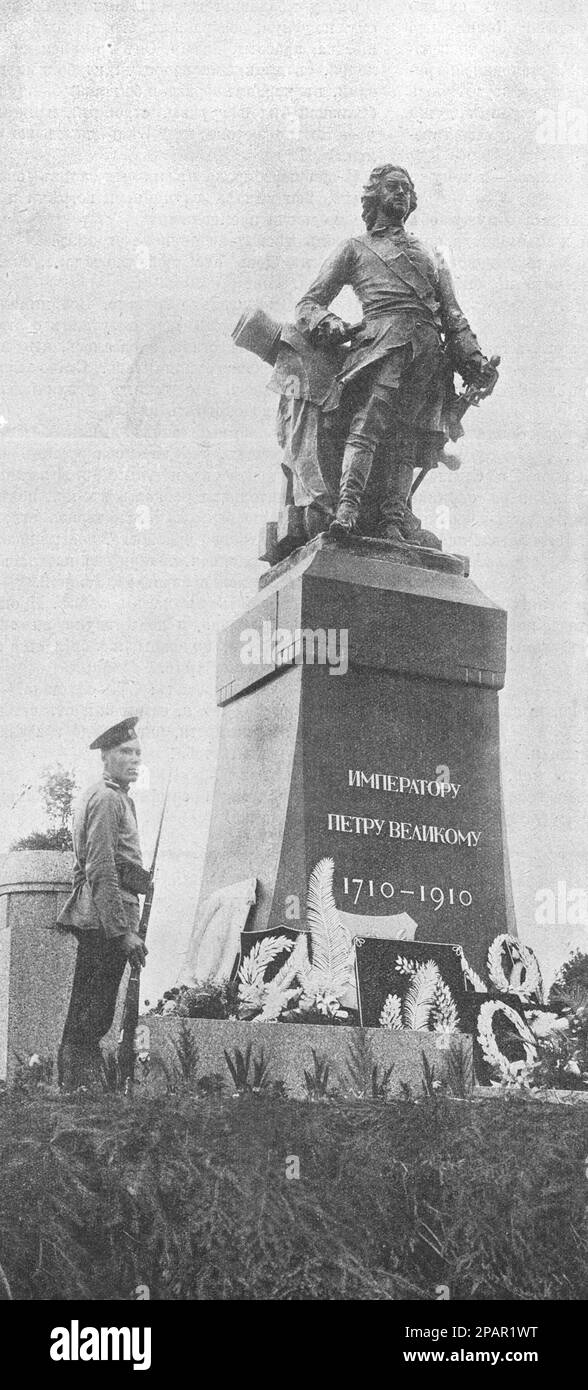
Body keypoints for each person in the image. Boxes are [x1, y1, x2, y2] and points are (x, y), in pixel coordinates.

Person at [293, 163, 498, 544]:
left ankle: (393, 519)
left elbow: (452, 314)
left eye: (407, 188)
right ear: (375, 196)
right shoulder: (354, 248)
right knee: (366, 427)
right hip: (382, 346)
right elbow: (308, 304)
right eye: (393, 187)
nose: (402, 193)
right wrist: (330, 324)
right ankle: (347, 510)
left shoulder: (432, 255)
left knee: (406, 439)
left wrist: (475, 362)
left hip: (428, 354)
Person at [57, 718, 150, 1089]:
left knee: (93, 1004)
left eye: (138, 753)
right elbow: (100, 866)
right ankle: (80, 1084)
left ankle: (78, 1083)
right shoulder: (108, 798)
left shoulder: (116, 797)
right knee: (93, 1007)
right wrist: (122, 932)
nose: (134, 759)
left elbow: (111, 863)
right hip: (104, 921)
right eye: (125, 752)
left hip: (103, 916)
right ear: (105, 757)